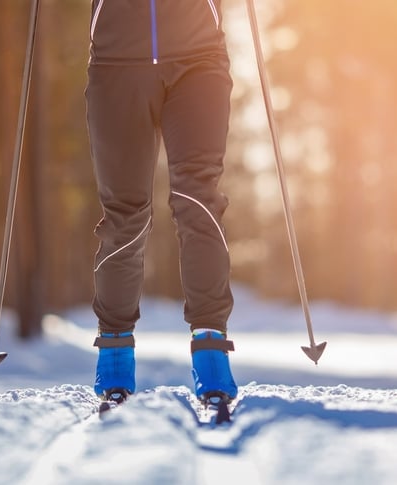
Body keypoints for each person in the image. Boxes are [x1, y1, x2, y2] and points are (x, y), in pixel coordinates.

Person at [86, 0, 238, 406]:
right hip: (118, 59)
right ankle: (115, 351)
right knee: (124, 212)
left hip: (198, 56)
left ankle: (211, 352)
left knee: (198, 198)